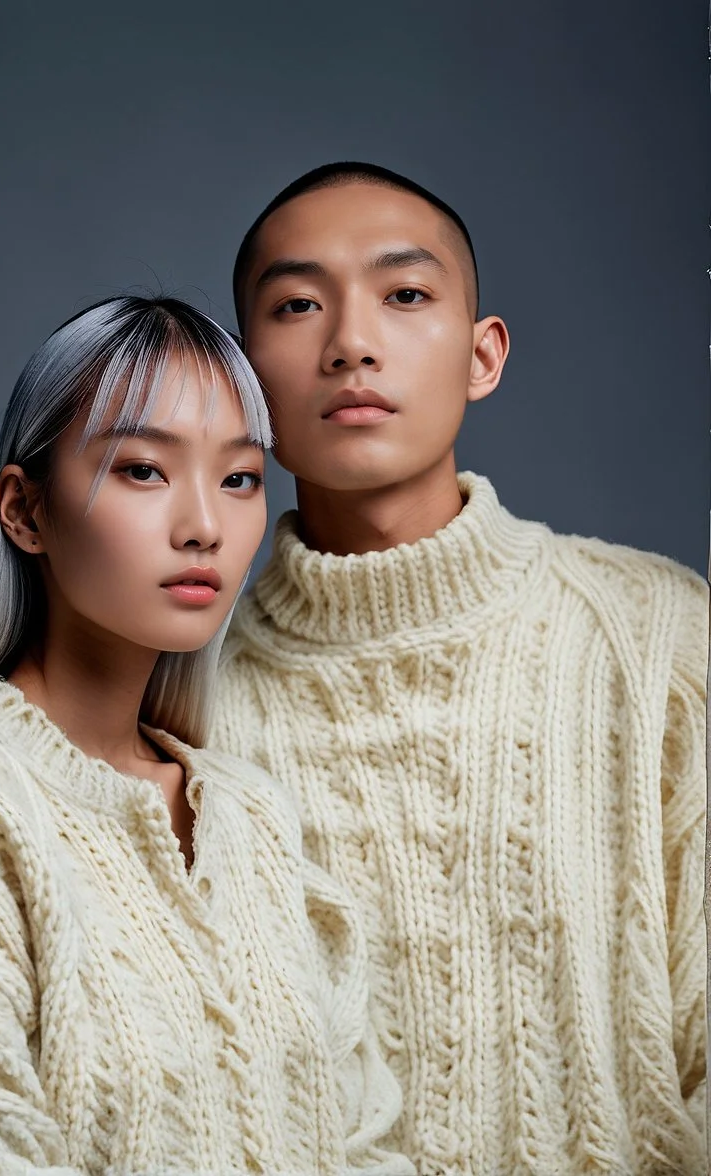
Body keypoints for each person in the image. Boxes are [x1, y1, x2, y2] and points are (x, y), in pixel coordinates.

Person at [0, 294, 415, 1175]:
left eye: (240, 478)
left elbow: (361, 1140)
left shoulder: (254, 816)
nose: (205, 527)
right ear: (25, 510)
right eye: (144, 470)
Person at [210, 162, 709, 1175]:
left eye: (404, 295)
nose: (351, 343)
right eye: (298, 305)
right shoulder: (179, 711)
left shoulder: (660, 635)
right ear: (241, 383)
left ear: (483, 357)